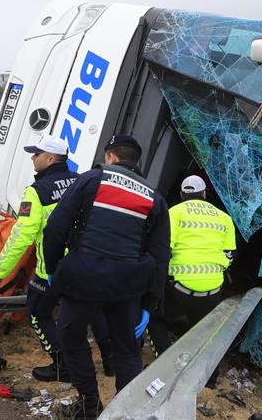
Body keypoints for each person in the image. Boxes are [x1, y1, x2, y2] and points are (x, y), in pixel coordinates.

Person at [42, 134, 170, 419]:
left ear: (111, 156)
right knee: (127, 351)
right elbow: (161, 256)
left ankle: (89, 404)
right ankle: (124, 413)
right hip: (127, 287)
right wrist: (149, 303)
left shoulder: (91, 180)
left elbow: (55, 228)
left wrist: (52, 268)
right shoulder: (154, 197)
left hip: (82, 280)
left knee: (71, 336)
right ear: (136, 161)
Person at [0, 136, 85, 382]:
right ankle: (107, 361)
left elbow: (21, 236)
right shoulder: (80, 181)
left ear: (50, 159)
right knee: (81, 316)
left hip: (51, 268)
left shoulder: (36, 191)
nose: (33, 158)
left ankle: (62, 365)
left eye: (37, 154)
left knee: (38, 312)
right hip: (84, 263)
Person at [146, 175, 236, 385]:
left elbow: (163, 252)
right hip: (213, 288)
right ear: (204, 194)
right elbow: (230, 256)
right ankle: (210, 379)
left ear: (181, 195)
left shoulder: (174, 213)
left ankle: (165, 367)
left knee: (155, 318)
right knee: (207, 332)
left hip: (180, 287)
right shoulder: (224, 218)